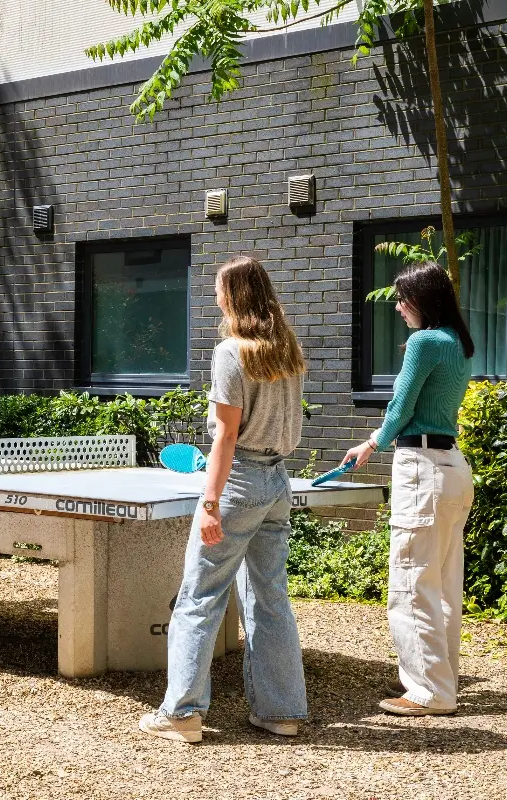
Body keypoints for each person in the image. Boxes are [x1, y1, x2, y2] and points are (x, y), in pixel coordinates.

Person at [139, 255, 309, 744]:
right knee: (270, 597)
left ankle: (182, 713)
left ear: (234, 297)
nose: (214, 297)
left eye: (218, 289)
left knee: (199, 595)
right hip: (278, 483)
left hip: (237, 484)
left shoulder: (232, 352)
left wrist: (209, 501)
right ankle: (281, 712)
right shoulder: (287, 350)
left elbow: (226, 438)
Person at [339, 261, 475, 716]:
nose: (397, 308)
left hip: (422, 467)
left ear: (421, 299)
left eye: (402, 299)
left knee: (412, 582)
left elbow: (401, 406)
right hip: (453, 466)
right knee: (443, 584)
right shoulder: (458, 344)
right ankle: (443, 679)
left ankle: (429, 692)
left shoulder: (424, 342)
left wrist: (370, 442)